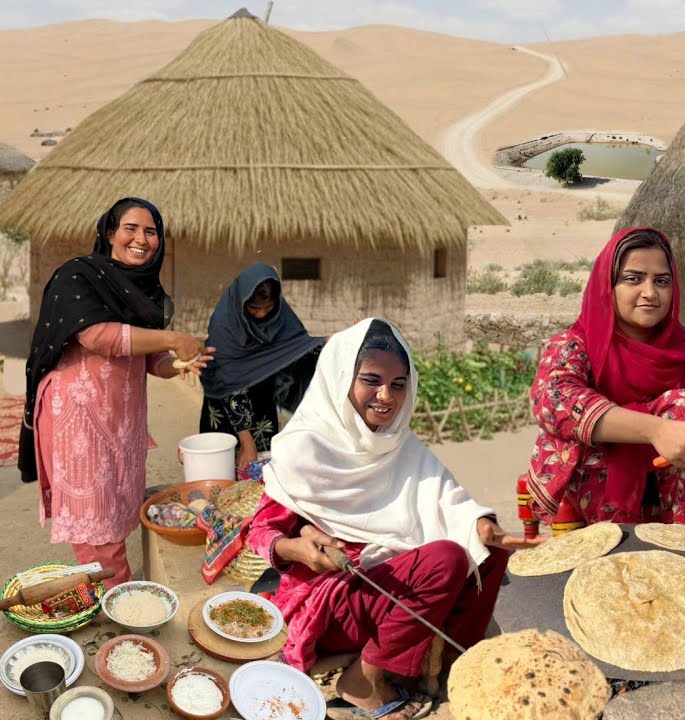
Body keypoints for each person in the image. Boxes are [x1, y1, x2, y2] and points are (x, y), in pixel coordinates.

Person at [246, 318, 540, 720]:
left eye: (398, 384)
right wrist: (295, 548)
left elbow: (446, 498)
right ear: (341, 379)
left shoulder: (400, 444)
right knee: (447, 560)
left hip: (389, 591)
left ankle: (453, 664)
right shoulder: (305, 448)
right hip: (335, 603)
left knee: (486, 551)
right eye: (371, 381)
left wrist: (480, 526)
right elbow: (261, 531)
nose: (386, 396)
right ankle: (363, 679)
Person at [21, 197, 214, 587]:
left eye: (151, 231)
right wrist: (174, 339)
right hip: (78, 421)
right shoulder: (78, 276)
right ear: (110, 233)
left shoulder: (148, 292)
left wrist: (179, 363)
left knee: (116, 516)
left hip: (121, 425)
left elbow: (152, 360)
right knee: (99, 532)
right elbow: (97, 336)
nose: (141, 239)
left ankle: (109, 595)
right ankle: (122, 604)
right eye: (131, 228)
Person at [524, 227, 685, 527]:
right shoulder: (575, 345)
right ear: (608, 285)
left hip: (672, 489)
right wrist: (656, 430)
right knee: (682, 410)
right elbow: (552, 403)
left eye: (662, 281)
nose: (650, 293)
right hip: (594, 485)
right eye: (633, 279)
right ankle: (615, 540)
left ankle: (681, 540)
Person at [199, 263, 323, 473]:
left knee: (260, 474)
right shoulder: (224, 326)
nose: (261, 315)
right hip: (225, 407)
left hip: (261, 403)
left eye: (268, 307)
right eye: (254, 309)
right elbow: (229, 382)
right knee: (222, 472)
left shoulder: (282, 317)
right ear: (241, 302)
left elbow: (302, 349)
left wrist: (345, 343)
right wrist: (246, 441)